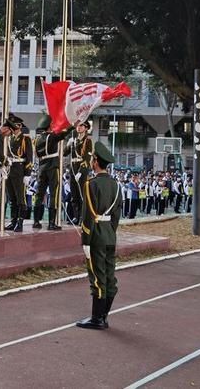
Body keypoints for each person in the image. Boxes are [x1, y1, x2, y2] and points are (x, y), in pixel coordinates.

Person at [76, 141, 122, 330]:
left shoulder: (91, 184)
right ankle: (104, 315)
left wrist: (85, 240)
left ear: (95, 161)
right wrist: (110, 231)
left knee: (97, 276)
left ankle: (97, 319)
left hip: (95, 236)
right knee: (110, 276)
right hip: (110, 235)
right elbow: (117, 215)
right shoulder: (116, 185)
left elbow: (87, 215)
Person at [32, 114, 72, 230]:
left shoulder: (37, 139)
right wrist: (72, 124)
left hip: (41, 168)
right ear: (49, 127)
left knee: (39, 194)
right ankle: (51, 223)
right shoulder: (51, 137)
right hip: (52, 167)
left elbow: (38, 154)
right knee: (54, 194)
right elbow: (64, 133)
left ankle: (36, 221)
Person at [5, 115, 32, 232]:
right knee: (12, 198)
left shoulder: (26, 139)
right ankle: (13, 220)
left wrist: (27, 174)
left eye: (14, 125)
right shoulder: (9, 138)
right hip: (9, 170)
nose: (12, 127)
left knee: (20, 198)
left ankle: (20, 221)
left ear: (20, 126)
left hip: (20, 170)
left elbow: (29, 157)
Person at [64, 120, 93, 225]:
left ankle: (82, 217)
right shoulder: (74, 140)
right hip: (73, 169)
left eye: (81, 126)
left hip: (81, 169)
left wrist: (81, 172)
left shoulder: (87, 141)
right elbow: (64, 153)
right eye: (78, 126)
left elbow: (87, 157)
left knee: (81, 195)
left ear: (86, 128)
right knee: (74, 195)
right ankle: (76, 216)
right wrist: (68, 144)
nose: (79, 127)